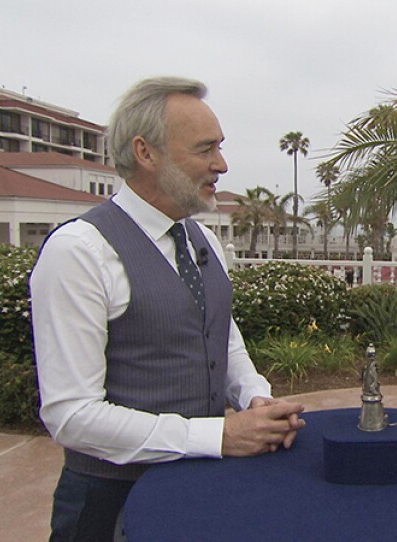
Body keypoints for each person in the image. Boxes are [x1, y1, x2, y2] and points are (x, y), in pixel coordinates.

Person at [31, 76, 306, 541]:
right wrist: (217, 436)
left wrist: (254, 395)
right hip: (109, 502)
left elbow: (222, 335)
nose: (221, 164)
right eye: (205, 149)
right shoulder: (79, 251)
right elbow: (71, 416)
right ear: (145, 152)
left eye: (220, 147)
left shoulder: (204, 241)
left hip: (200, 490)